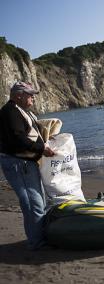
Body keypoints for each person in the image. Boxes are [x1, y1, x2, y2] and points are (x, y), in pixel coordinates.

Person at [0, 81, 55, 250]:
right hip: (18, 163)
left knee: (39, 200)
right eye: (29, 94)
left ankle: (39, 237)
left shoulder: (20, 110)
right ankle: (37, 242)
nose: (33, 97)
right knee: (33, 202)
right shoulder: (10, 112)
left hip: (24, 162)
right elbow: (18, 138)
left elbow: (28, 133)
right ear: (18, 95)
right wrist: (42, 148)